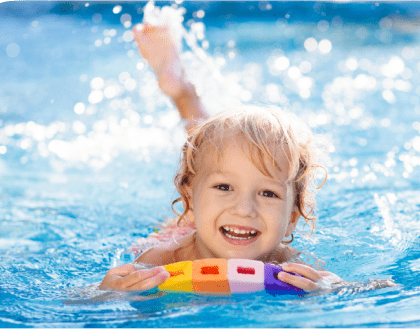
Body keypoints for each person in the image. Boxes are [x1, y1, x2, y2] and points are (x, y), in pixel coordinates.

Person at [99, 22, 342, 293]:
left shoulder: (292, 264)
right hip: (185, 228)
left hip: (211, 215)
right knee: (206, 153)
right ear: (188, 201)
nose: (244, 209)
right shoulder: (160, 259)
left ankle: (182, 92)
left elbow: (374, 287)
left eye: (268, 193)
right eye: (224, 187)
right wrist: (108, 293)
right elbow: (82, 304)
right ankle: (182, 91)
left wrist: (331, 287)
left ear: (293, 218)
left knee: (215, 160)